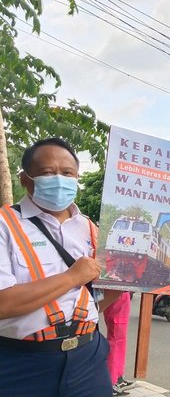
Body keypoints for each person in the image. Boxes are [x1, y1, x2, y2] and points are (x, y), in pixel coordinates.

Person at [0, 137, 122, 397]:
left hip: (88, 358)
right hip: (21, 363)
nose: (59, 179)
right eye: (47, 172)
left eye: (67, 173)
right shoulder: (4, 225)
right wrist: (71, 277)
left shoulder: (90, 227)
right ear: (25, 179)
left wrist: (127, 283)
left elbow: (103, 293)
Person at [104, 292, 135, 396]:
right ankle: (111, 382)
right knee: (115, 341)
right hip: (117, 294)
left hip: (121, 293)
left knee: (120, 341)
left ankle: (118, 376)